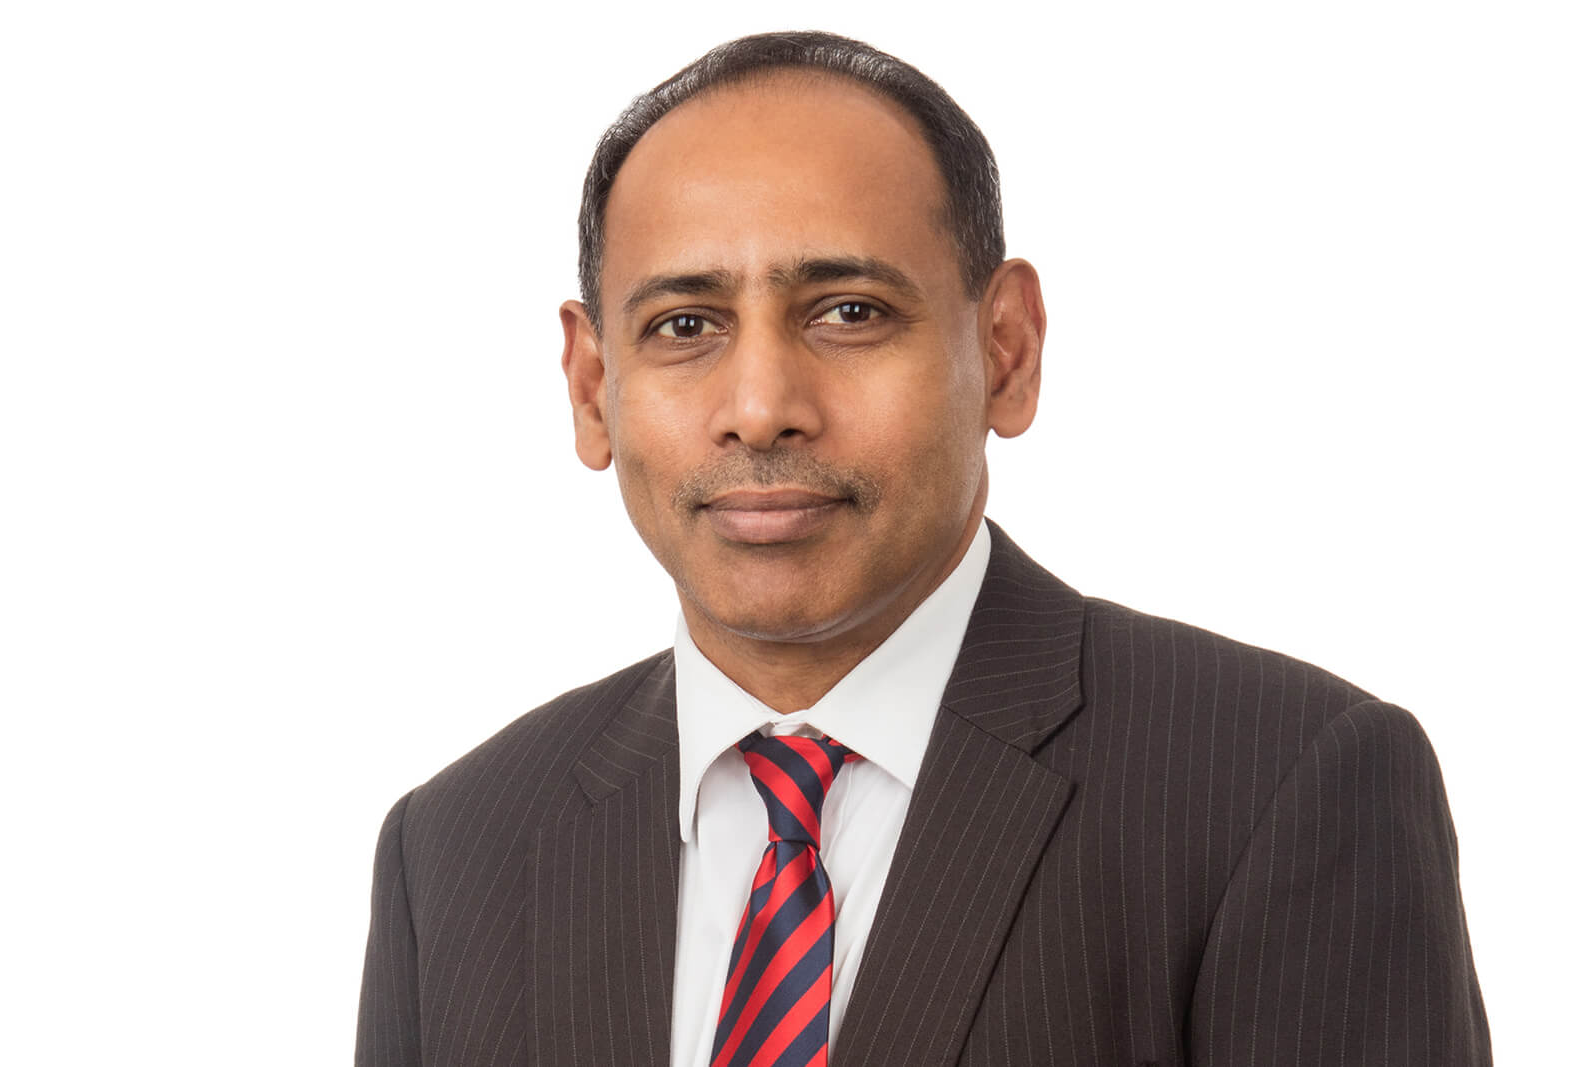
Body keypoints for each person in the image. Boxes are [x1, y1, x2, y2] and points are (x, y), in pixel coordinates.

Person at [355, 30, 1490, 1067]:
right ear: (592, 385)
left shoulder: (1278, 786)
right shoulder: (453, 854)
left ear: (1005, 351)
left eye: (848, 311)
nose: (761, 408)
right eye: (684, 326)